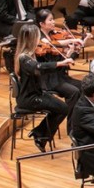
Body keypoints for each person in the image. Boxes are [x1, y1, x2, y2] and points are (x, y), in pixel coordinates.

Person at [14, 23, 73, 152]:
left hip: (37, 93)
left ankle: (40, 133)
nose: (39, 40)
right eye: (37, 37)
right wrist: (60, 63)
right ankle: (40, 135)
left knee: (62, 108)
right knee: (63, 108)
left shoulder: (31, 54)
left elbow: (44, 65)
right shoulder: (24, 58)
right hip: (29, 98)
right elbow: (39, 68)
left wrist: (67, 53)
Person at [35, 8, 84, 121]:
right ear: (41, 24)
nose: (53, 22)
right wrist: (70, 42)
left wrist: (72, 53)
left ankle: (80, 121)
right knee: (74, 92)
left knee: (84, 86)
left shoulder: (53, 34)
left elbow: (62, 60)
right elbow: (52, 47)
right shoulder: (39, 39)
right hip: (48, 79)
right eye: (50, 20)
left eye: (53, 19)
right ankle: (71, 125)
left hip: (60, 76)